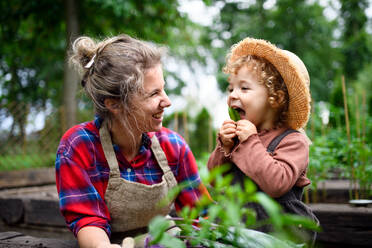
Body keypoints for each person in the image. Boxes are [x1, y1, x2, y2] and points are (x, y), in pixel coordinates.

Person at [55, 34, 210, 248]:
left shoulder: (173, 146)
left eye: (163, 89)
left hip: (163, 240)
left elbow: (200, 216)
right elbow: (88, 220)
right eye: (154, 94)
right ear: (114, 104)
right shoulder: (79, 147)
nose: (167, 101)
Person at [207, 37, 318, 244]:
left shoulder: (294, 141)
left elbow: (277, 183)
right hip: (240, 233)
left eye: (244, 88)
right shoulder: (240, 138)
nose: (233, 95)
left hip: (279, 236)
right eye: (231, 89)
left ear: (274, 98)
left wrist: (250, 142)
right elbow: (215, 180)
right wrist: (225, 148)